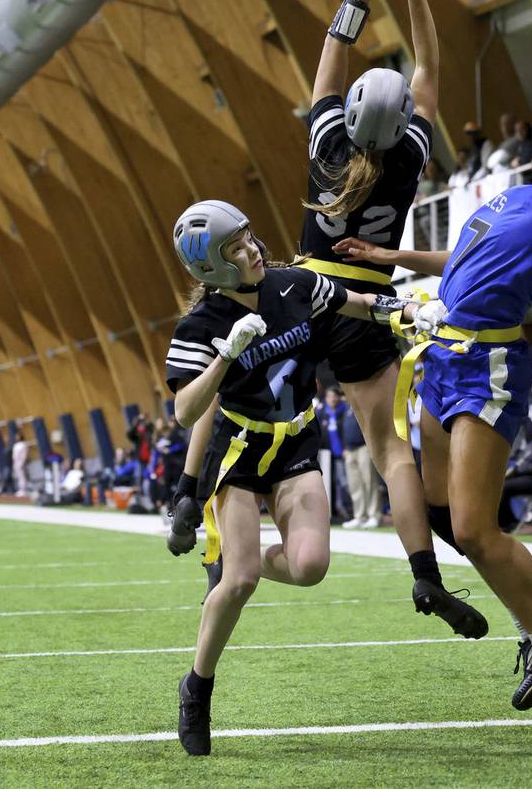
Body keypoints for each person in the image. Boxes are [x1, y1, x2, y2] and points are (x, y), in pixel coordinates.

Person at [331, 18, 532, 727]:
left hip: (490, 366)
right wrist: (384, 259)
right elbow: (457, 263)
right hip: (444, 354)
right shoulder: (508, 198)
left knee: (477, 532)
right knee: (433, 505)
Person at [163, 199, 418, 755]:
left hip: (297, 437)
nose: (253, 249)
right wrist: (225, 359)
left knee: (309, 567)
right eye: (237, 247)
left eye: (250, 236)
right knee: (241, 582)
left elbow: (357, 303)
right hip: (241, 449)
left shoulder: (294, 285)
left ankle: (235, 556)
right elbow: (184, 412)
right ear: (212, 266)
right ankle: (197, 687)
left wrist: (405, 311)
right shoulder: (201, 326)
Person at [279, 0, 483, 635]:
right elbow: (429, 69)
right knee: (392, 450)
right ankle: (424, 573)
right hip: (367, 305)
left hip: (301, 296)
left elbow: (336, 42)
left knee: (258, 414)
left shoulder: (328, 143)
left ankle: (208, 511)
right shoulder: (408, 159)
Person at [341, 406, 383, 529]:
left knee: (369, 481)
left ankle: (374, 515)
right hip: (349, 450)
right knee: (355, 485)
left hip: (364, 448)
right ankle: (360, 516)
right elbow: (342, 429)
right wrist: (344, 447)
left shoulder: (362, 407)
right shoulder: (347, 410)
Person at [315, 387, 352, 523]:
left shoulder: (344, 409)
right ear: (326, 397)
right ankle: (332, 512)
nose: (333, 399)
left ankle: (347, 511)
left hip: (341, 452)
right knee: (327, 482)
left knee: (343, 482)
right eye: (330, 396)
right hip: (325, 453)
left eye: (335, 396)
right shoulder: (321, 410)